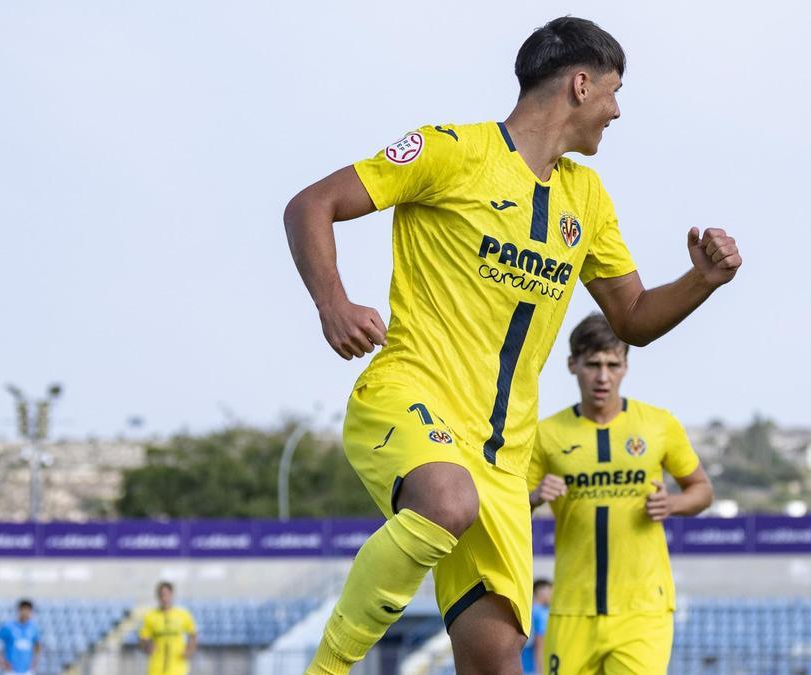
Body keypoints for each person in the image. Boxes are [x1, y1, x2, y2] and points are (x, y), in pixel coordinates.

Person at [283, 15, 741, 675]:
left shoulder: (586, 197)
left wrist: (702, 281)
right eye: (613, 92)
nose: (616, 111)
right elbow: (311, 204)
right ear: (581, 85)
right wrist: (334, 303)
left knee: (497, 658)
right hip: (410, 398)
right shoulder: (450, 150)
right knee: (445, 499)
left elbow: (633, 315)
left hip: (502, 455)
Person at [528, 314, 713, 674]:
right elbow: (509, 505)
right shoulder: (547, 435)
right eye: (593, 364)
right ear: (572, 364)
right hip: (571, 609)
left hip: (642, 611)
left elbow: (703, 490)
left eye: (613, 364)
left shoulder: (658, 425)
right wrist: (534, 496)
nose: (603, 377)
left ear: (626, 366)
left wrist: (671, 503)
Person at [138, 581, 198, 675]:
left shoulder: (183, 615)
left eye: (166, 595)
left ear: (172, 595)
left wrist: (189, 649)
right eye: (161, 595)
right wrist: (147, 647)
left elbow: (193, 634)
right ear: (158, 597)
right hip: (156, 667)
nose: (164, 598)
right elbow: (143, 639)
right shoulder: (150, 616)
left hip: (177, 666)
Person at [0, 599, 40, 675]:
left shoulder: (33, 628)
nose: (27, 613)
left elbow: (38, 645)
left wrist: (35, 661)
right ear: (20, 610)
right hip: (11, 671)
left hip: (27, 671)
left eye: (29, 611)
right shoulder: (8, 627)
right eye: (25, 610)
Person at [521, 579, 553, 674]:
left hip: (522, 664)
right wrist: (541, 671)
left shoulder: (529, 611)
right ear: (541, 592)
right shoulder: (541, 613)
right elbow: (539, 644)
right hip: (534, 667)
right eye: (550, 590)